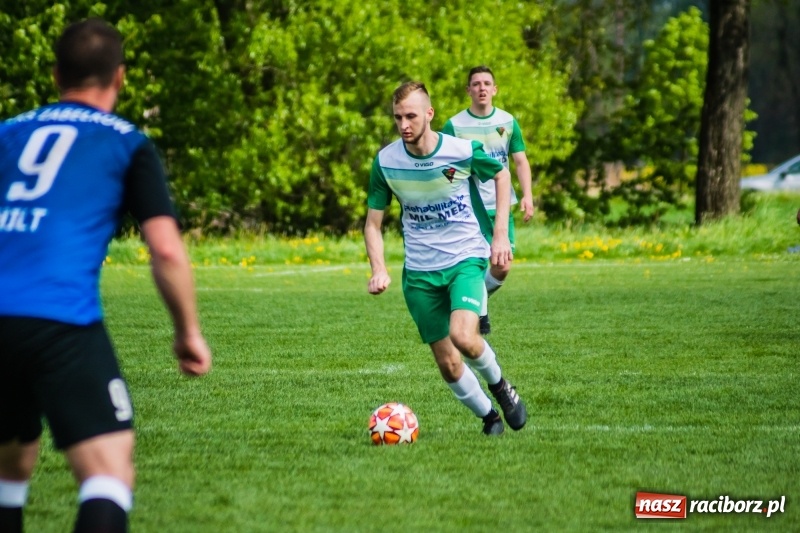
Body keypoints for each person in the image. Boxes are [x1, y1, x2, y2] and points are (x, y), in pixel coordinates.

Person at [0, 18, 212, 533]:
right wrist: (187, 333)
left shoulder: (7, 133)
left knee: (10, 467)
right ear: (119, 77)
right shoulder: (127, 142)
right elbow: (165, 248)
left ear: (55, 75)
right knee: (108, 472)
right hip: (61, 320)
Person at [364, 81, 527, 436]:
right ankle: (489, 418)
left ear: (429, 114)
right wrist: (378, 269)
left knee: (464, 336)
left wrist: (499, 234)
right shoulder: (386, 162)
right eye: (397, 118)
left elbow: (501, 174)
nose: (404, 124)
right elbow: (373, 224)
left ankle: (501, 387)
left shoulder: (460, 150)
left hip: (465, 258)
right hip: (420, 274)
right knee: (449, 363)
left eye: (411, 116)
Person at [442, 66, 534, 335]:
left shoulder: (507, 121)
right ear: (468, 90)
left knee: (502, 266)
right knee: (476, 263)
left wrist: (528, 195)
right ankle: (478, 314)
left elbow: (520, 160)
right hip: (470, 208)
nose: (481, 88)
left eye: (487, 83)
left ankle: (470, 305)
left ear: (495, 90)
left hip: (502, 206)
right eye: (476, 84)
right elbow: (445, 165)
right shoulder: (454, 125)